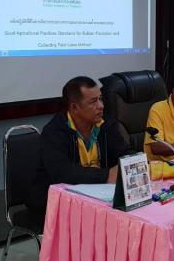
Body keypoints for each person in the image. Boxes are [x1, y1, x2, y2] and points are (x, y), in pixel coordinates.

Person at [25, 76, 132, 226]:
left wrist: (128, 164)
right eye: (93, 102)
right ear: (74, 108)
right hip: (55, 202)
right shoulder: (54, 131)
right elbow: (62, 172)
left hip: (96, 196)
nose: (101, 106)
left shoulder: (106, 124)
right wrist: (107, 175)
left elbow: (125, 153)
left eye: (101, 99)